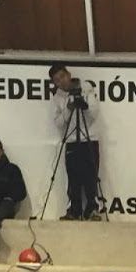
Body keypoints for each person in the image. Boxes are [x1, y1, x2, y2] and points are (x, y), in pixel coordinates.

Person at [49, 63, 101, 220]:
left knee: (91, 176)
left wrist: (83, 106)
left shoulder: (86, 88)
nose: (62, 82)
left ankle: (92, 209)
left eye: (63, 76)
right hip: (71, 141)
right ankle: (74, 210)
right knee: (74, 178)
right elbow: (58, 123)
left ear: (69, 74)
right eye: (57, 80)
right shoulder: (57, 98)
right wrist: (69, 108)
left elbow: (94, 113)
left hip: (89, 139)